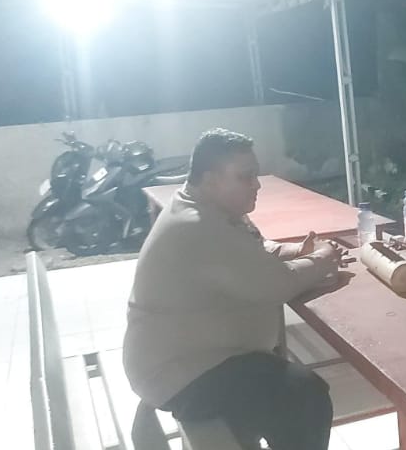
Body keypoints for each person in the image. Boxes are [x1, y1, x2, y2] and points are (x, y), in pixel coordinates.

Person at [123, 128, 351, 450]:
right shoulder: (197, 225)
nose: (257, 185)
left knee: (282, 389)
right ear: (210, 179)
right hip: (179, 374)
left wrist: (297, 251)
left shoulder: (208, 210)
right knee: (305, 396)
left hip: (192, 359)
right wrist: (324, 257)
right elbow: (277, 284)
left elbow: (250, 250)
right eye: (245, 177)